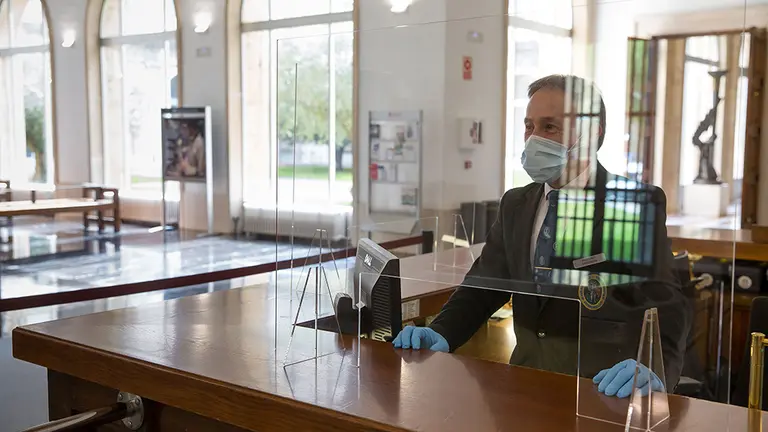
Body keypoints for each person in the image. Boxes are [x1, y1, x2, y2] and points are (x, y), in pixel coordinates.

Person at [393, 74, 690, 398]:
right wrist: (442, 331)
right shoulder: (517, 204)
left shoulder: (632, 205)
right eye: (529, 126)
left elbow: (667, 303)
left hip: (603, 394)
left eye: (549, 127)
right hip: (523, 387)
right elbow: (483, 286)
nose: (533, 139)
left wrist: (655, 368)